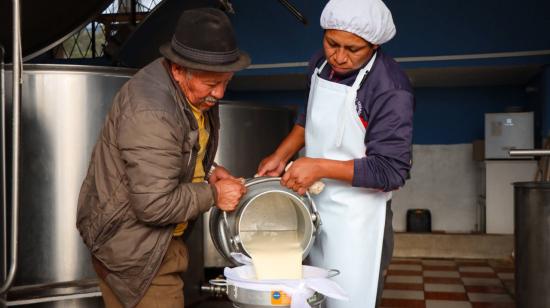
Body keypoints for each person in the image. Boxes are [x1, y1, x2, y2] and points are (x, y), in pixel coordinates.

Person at [76, 8, 250, 308]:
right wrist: (214, 193)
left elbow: (174, 152)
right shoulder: (152, 112)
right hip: (135, 252)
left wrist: (209, 171)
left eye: (226, 81)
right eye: (211, 84)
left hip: (147, 244)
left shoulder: (189, 89)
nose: (219, 93)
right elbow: (154, 204)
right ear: (179, 70)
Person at [257, 0, 414, 307]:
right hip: (315, 207)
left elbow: (392, 170)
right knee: (313, 296)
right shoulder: (320, 64)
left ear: (374, 45)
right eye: (332, 43)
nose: (339, 56)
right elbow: (310, 118)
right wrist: (281, 153)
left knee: (350, 299)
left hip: (361, 218)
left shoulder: (390, 89)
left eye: (353, 49)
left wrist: (318, 167)